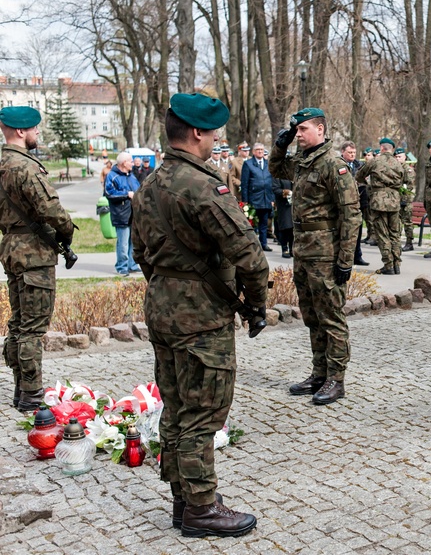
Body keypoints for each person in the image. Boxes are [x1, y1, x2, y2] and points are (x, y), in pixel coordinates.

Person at [131, 92, 268, 538]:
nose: (215, 141)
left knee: (175, 407)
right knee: (203, 412)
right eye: (212, 134)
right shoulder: (202, 186)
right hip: (201, 317)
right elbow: (250, 256)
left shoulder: (149, 184)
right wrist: (256, 304)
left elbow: (140, 253)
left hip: (162, 308)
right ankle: (202, 509)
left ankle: (184, 498)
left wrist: (170, 284)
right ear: (195, 133)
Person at [270, 107, 361, 405]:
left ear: (320, 129)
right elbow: (275, 168)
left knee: (331, 316)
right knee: (311, 315)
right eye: (295, 130)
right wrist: (281, 144)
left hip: (326, 254)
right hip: (303, 251)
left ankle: (336, 378)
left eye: (302, 129)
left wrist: (345, 260)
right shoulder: (301, 162)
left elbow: (351, 215)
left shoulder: (333, 165)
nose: (298, 134)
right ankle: (319, 373)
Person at [0, 106, 75, 412]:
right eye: (34, 129)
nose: (37, 133)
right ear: (21, 131)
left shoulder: (2, 163)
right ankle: (31, 394)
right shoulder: (25, 166)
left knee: (19, 323)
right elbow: (51, 209)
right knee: (32, 327)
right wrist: (67, 231)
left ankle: (21, 388)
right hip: (33, 253)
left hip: (11, 246)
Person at [357, 137, 405, 275]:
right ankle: (397, 264)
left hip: (379, 201)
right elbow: (403, 179)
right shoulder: (398, 163)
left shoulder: (375, 161)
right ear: (392, 149)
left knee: (382, 233)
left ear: (382, 148)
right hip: (394, 200)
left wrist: (370, 183)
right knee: (395, 234)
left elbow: (359, 175)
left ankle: (388, 264)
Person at [104, 152, 142, 275]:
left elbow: (139, 190)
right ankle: (122, 267)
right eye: (131, 161)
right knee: (123, 243)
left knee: (133, 242)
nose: (133, 164)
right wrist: (126, 194)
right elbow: (109, 193)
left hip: (133, 214)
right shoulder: (112, 176)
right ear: (124, 163)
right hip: (121, 215)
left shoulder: (131, 176)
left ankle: (132, 264)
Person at [241, 143, 274, 251]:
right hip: (254, 199)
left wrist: (272, 199)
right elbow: (244, 184)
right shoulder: (248, 164)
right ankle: (252, 244)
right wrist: (245, 201)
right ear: (253, 152)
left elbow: (272, 182)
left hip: (266, 198)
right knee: (252, 224)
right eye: (258, 149)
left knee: (264, 223)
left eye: (262, 150)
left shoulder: (268, 164)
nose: (260, 151)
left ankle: (263, 244)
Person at [341, 141, 369, 265]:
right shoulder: (338, 164)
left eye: (354, 152)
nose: (352, 155)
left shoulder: (360, 165)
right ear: (343, 152)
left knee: (357, 230)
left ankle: (357, 256)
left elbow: (366, 180)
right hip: (343, 203)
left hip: (358, 202)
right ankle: (344, 257)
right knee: (344, 232)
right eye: (349, 152)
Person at [396, 148, 416, 252]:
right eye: (396, 157)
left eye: (399, 156)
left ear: (404, 157)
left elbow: (409, 186)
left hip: (406, 200)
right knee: (396, 222)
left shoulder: (408, 170)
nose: (397, 158)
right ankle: (396, 242)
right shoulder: (395, 169)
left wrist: (404, 199)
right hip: (396, 200)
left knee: (407, 222)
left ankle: (409, 242)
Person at [271, 176, 293, 258]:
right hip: (283, 205)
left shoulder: (294, 173)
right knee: (285, 227)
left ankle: (292, 249)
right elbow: (275, 189)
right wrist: (285, 192)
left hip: (294, 204)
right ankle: (284, 248)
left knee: (293, 228)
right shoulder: (278, 176)